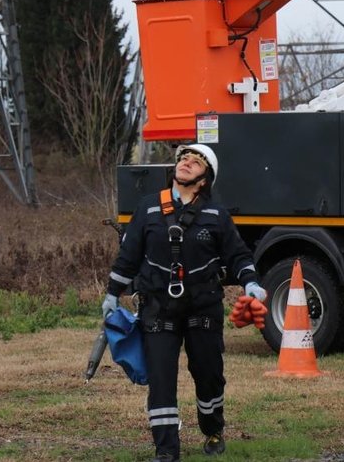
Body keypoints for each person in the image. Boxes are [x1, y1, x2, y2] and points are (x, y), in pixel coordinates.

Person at [102, 144, 267, 461]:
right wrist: (112, 293)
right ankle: (166, 450)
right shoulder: (148, 208)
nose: (187, 163)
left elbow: (239, 256)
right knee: (161, 381)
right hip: (158, 309)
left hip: (202, 308)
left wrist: (251, 283)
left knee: (209, 376)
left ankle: (213, 428)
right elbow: (128, 256)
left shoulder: (216, 216)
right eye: (183, 159)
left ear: (205, 179)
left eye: (196, 161)